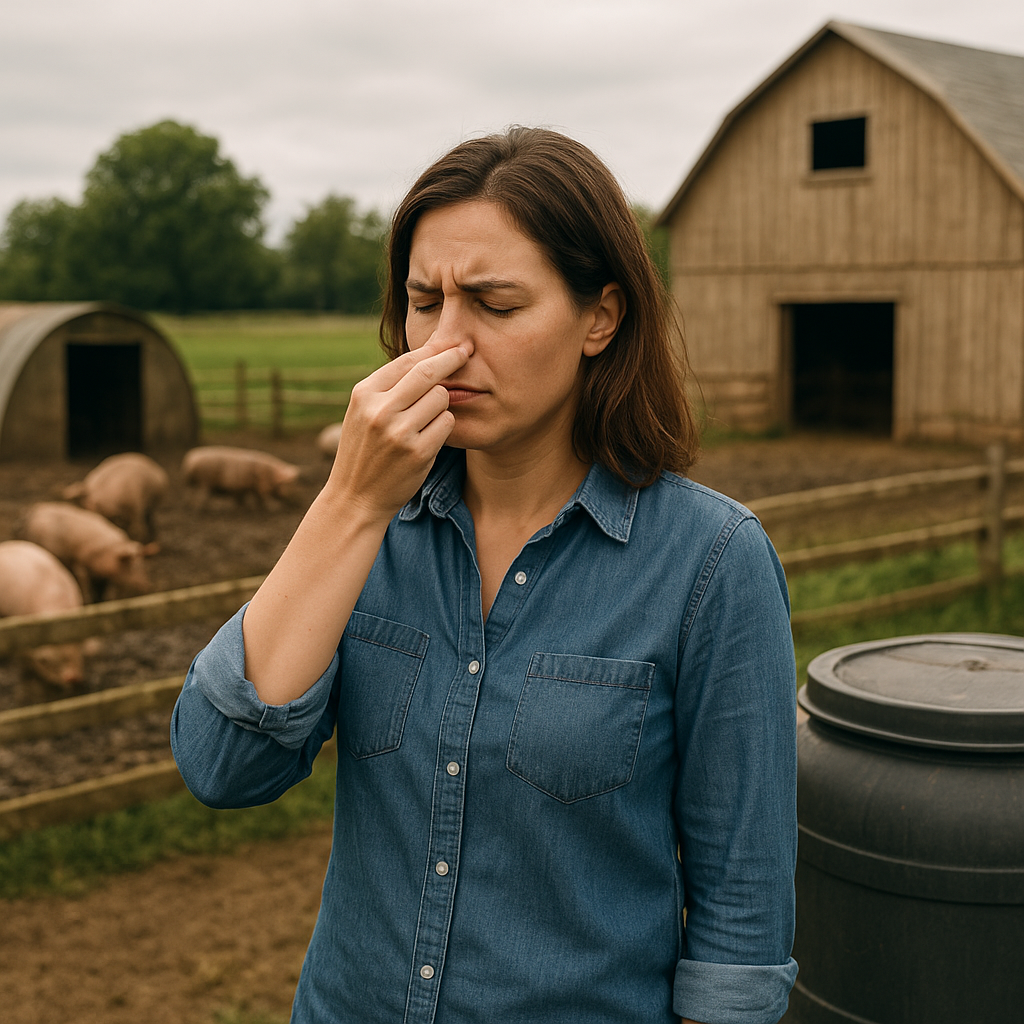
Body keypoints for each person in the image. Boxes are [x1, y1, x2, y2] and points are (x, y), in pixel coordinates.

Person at [171, 126, 798, 1024]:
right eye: (424, 302)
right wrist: (349, 504)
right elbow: (221, 765)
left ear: (601, 317)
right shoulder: (369, 529)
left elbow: (742, 916)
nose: (444, 346)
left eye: (495, 305)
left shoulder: (713, 563)